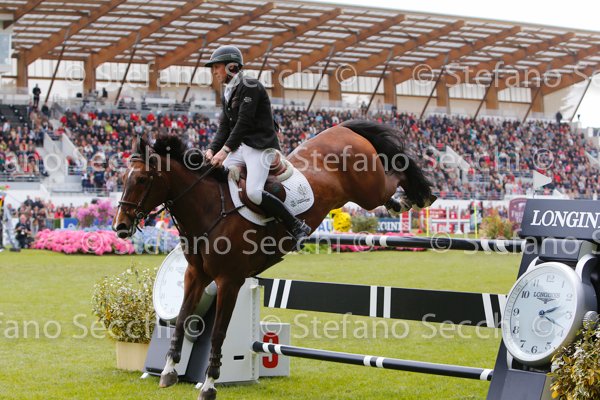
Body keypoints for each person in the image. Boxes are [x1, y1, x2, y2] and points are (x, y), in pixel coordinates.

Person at [204, 45, 311, 247]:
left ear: (231, 67)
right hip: (240, 147)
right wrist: (211, 149)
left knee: (253, 192)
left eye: (217, 67)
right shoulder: (228, 91)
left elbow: (244, 123)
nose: (214, 72)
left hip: (260, 147)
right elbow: (224, 126)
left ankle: (296, 225)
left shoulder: (250, 86)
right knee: (213, 176)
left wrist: (224, 151)